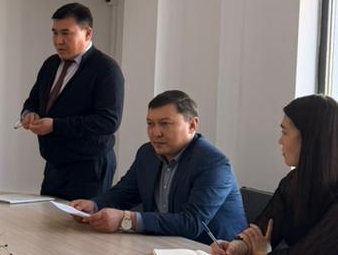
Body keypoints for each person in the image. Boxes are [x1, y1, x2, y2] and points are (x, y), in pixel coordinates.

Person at [210, 95, 338, 255]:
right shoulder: (295, 180)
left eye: (284, 132)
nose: (280, 141)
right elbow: (262, 230)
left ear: (310, 138)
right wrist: (236, 247)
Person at [72, 90, 246, 243]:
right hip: (161, 246)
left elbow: (192, 223)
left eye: (165, 123)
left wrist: (128, 220)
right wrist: (94, 205)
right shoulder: (147, 153)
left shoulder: (213, 163)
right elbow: (123, 193)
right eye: (150, 124)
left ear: (192, 125)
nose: (155, 133)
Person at [20, 3, 124, 200]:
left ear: (87, 33)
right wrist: (28, 114)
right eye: (55, 33)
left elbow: (109, 121)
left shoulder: (106, 69)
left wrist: (55, 125)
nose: (58, 41)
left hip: (89, 167)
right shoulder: (51, 64)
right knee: (47, 217)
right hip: (54, 163)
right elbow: (33, 100)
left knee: (80, 220)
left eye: (66, 33)